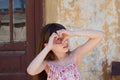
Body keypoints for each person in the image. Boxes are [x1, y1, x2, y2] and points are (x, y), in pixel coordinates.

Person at [27, 23, 104, 80]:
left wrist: (73, 33)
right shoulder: (47, 64)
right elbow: (31, 71)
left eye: (65, 38)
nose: (64, 42)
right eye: (59, 40)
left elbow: (100, 35)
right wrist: (48, 48)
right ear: (48, 44)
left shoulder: (74, 56)